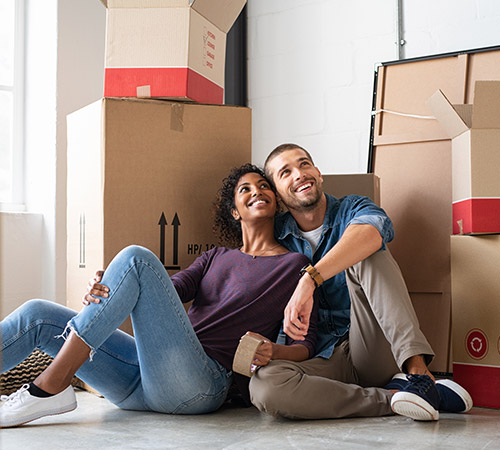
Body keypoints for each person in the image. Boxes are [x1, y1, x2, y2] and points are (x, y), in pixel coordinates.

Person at [0, 164, 317, 428]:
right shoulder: (215, 257)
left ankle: (50, 386)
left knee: (136, 259)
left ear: (276, 203)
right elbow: (168, 291)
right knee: (37, 314)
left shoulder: (294, 267)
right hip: (140, 378)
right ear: (234, 212)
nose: (256, 191)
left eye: (263, 186)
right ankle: (53, 385)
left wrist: (275, 351)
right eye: (245, 189)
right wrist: (112, 284)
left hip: (198, 385)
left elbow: (307, 344)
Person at [249, 144, 473, 421]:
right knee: (264, 386)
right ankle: (395, 398)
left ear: (318, 174)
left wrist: (309, 279)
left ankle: (419, 376)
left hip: (373, 346)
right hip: (323, 357)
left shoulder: (353, 207)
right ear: (277, 193)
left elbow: (373, 232)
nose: (299, 174)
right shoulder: (276, 237)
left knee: (365, 250)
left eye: (305, 164)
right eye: (285, 172)